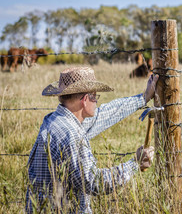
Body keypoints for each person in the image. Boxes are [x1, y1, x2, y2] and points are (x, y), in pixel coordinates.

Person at [25, 66, 159, 213]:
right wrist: (135, 163)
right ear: (85, 99)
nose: (96, 102)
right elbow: (94, 182)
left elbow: (104, 114)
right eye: (95, 96)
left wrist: (143, 98)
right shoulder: (71, 135)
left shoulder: (56, 120)